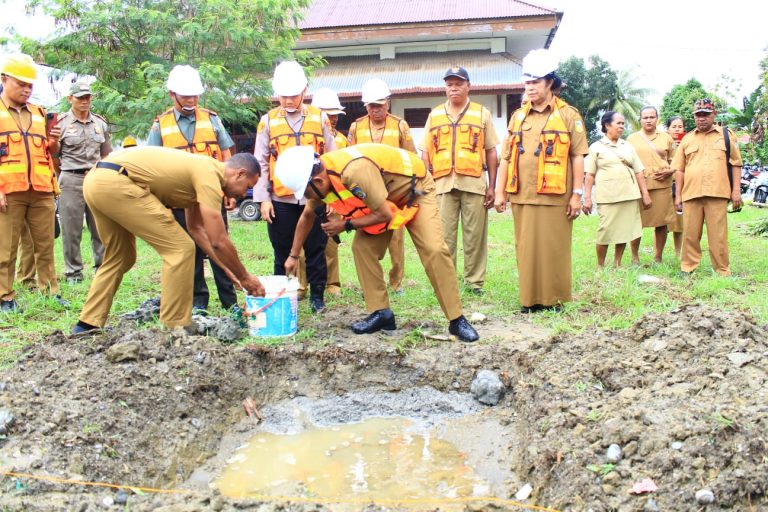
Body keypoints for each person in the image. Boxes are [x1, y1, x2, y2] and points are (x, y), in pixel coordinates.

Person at [277, 144, 480, 342]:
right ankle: (381, 313)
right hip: (382, 200)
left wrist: (345, 224)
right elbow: (306, 217)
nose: (306, 197)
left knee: (434, 249)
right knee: (362, 248)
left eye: (306, 192)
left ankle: (456, 319)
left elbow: (383, 215)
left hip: (414, 192)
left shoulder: (353, 172)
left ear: (318, 180)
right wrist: (293, 256)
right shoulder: (322, 179)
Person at [73, 148, 265, 333]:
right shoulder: (210, 175)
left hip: (96, 181)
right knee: (180, 249)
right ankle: (175, 325)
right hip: (117, 183)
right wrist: (245, 277)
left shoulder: (199, 169)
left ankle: (87, 323)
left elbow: (196, 229)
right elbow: (218, 240)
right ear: (239, 173)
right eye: (248, 186)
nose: (243, 194)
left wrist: (227, 268)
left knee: (121, 256)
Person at [494, 49, 588, 313]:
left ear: (550, 82)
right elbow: (506, 157)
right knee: (526, 249)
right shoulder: (518, 116)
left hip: (556, 195)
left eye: (535, 82)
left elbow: (578, 156)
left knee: (554, 248)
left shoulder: (569, 115)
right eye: (527, 82)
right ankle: (529, 300)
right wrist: (499, 192)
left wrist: (577, 194)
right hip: (523, 194)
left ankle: (554, 299)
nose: (530, 87)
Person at [147, 65, 238, 313]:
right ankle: (199, 302)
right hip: (178, 200)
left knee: (219, 244)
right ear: (172, 94)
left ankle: (230, 300)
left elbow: (227, 156)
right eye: (186, 96)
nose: (191, 100)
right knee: (191, 251)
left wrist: (228, 192)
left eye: (195, 96)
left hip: (211, 197)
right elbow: (153, 163)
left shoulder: (212, 119)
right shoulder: (160, 125)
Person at [253, 61, 336, 313]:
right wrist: (263, 199)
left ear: (304, 91)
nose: (288, 100)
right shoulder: (267, 122)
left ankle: (317, 297)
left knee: (316, 248)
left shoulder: (319, 117)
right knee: (282, 251)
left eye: (293, 95)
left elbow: (332, 158)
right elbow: (260, 162)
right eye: (283, 95)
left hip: (315, 196)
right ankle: (283, 294)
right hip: (282, 199)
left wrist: (332, 197)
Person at [421, 66, 499, 295]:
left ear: (468, 86)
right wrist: (426, 183)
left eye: (458, 83)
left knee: (475, 235)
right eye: (449, 84)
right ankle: (446, 281)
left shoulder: (481, 113)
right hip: (442, 183)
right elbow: (426, 151)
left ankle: (474, 282)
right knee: (443, 236)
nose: (453, 88)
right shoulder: (434, 115)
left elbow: (491, 151)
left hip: (474, 183)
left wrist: (492, 186)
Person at [0, 54, 64, 313]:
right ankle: (5, 297)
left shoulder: (40, 114)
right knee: (6, 247)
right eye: (21, 83)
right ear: (4, 80)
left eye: (30, 85)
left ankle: (50, 292)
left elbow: (51, 152)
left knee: (45, 245)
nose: (27, 89)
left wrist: (54, 142)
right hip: (9, 191)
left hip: (41, 190)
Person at [347, 78, 416, 293]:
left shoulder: (400, 125)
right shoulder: (356, 127)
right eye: (371, 105)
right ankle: (370, 280)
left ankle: (396, 283)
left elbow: (411, 157)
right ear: (365, 106)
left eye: (380, 104)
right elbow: (348, 158)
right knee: (367, 234)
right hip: (366, 191)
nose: (376, 109)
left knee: (396, 237)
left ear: (388, 102)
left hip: (394, 189)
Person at [49, 81, 112, 283]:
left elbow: (106, 154)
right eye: (80, 98)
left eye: (87, 97)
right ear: (70, 99)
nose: (85, 101)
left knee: (100, 226)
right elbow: (55, 157)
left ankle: (102, 267)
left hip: (95, 178)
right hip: (71, 178)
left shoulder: (100, 123)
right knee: (71, 228)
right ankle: (73, 272)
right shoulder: (61, 124)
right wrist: (67, 173)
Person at [673, 99, 742, 276]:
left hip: (717, 192)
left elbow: (736, 163)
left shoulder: (726, 135)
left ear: (714, 115)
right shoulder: (687, 139)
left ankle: (722, 270)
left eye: (706, 114)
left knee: (718, 235)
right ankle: (687, 267)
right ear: (694, 116)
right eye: (698, 115)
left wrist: (736, 191)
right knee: (690, 233)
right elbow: (679, 170)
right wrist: (678, 196)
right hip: (691, 193)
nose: (701, 118)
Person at [583, 112, 652, 267]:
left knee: (625, 230)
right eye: (618, 123)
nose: (622, 126)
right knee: (605, 230)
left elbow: (639, 171)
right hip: (607, 196)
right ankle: (600, 265)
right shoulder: (596, 147)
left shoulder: (627, 146)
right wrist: (587, 198)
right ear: (607, 125)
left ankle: (617, 263)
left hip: (629, 194)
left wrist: (645, 194)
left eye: (623, 123)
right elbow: (589, 175)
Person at [627, 106, 676, 264]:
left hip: (662, 185)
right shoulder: (631, 139)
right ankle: (635, 257)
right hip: (638, 187)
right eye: (645, 117)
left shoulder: (667, 138)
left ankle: (658, 257)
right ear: (640, 119)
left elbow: (676, 161)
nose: (649, 120)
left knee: (662, 222)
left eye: (652, 117)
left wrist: (670, 172)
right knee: (636, 222)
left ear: (657, 119)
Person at [311, 88, 347, 295]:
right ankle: (301, 283)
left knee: (330, 240)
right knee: (306, 239)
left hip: (334, 196)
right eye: (327, 114)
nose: (332, 119)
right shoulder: (308, 136)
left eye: (334, 115)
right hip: (311, 195)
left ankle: (332, 283)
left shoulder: (342, 140)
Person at [666, 116, 686, 257]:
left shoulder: (687, 143)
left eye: (680, 126)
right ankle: (658, 253)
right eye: (674, 126)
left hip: (683, 187)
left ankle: (678, 252)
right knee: (662, 224)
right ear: (668, 129)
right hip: (665, 186)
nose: (677, 129)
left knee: (680, 224)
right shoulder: (664, 143)